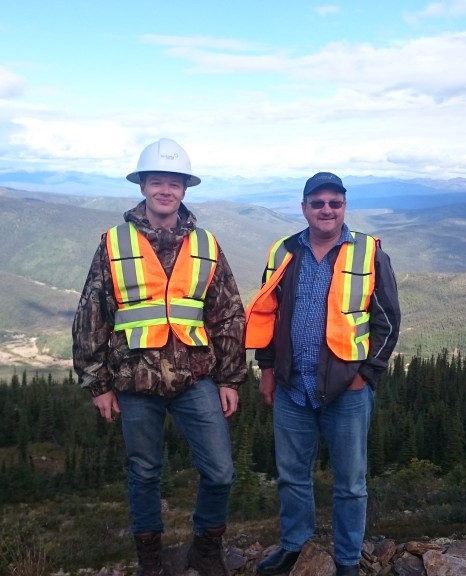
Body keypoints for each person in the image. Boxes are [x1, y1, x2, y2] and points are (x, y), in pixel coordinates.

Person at [72, 138, 246, 576]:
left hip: (196, 378)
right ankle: (149, 559)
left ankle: (206, 548)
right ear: (143, 186)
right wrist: (98, 383)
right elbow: (93, 311)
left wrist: (229, 379)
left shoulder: (206, 244)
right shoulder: (114, 242)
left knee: (221, 472)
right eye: (157, 182)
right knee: (144, 473)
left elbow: (227, 313)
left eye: (174, 183)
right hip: (133, 381)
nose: (165, 190)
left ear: (185, 190)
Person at [245, 172, 401, 576]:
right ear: (304, 208)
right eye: (318, 203)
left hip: (347, 390)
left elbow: (387, 319)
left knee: (350, 483)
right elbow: (267, 314)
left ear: (344, 207)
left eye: (335, 203)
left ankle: (348, 559)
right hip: (292, 387)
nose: (326, 210)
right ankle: (295, 547)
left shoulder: (369, 252)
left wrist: (366, 374)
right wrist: (266, 369)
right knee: (292, 476)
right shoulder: (283, 252)